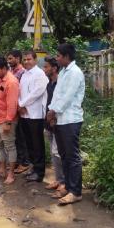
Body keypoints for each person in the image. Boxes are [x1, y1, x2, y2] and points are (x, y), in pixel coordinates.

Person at [47, 43, 85, 205]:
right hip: (60, 119)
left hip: (71, 120)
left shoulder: (75, 73)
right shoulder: (63, 72)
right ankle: (68, 186)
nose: (57, 58)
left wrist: (53, 111)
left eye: (59, 56)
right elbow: (57, 95)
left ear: (67, 56)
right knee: (64, 156)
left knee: (72, 157)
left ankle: (76, 192)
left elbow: (68, 96)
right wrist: (52, 111)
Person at [18, 51, 49, 183]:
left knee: (37, 144)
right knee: (29, 143)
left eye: (29, 59)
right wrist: (20, 105)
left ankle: (39, 172)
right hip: (24, 114)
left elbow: (37, 92)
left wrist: (22, 103)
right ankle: (33, 168)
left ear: (35, 60)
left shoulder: (39, 74)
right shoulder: (24, 74)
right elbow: (19, 92)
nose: (26, 62)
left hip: (35, 115)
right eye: (24, 59)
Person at [0, 57, 20, 184]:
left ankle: (11, 173)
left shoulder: (12, 82)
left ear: (4, 68)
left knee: (10, 146)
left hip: (7, 120)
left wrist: (8, 122)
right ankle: (2, 169)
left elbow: (12, 104)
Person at [43, 57, 65, 193]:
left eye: (46, 67)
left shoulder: (60, 83)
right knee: (53, 151)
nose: (44, 69)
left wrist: (54, 117)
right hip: (48, 121)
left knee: (58, 152)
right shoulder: (49, 83)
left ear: (54, 68)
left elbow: (61, 102)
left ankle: (63, 181)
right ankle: (58, 179)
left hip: (56, 120)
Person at [7, 49, 30, 174]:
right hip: (12, 109)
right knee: (15, 137)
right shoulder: (11, 72)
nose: (9, 61)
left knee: (21, 137)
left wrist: (20, 105)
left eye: (11, 58)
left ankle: (24, 162)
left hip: (20, 108)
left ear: (17, 58)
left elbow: (22, 91)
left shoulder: (22, 72)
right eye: (8, 59)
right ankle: (17, 161)